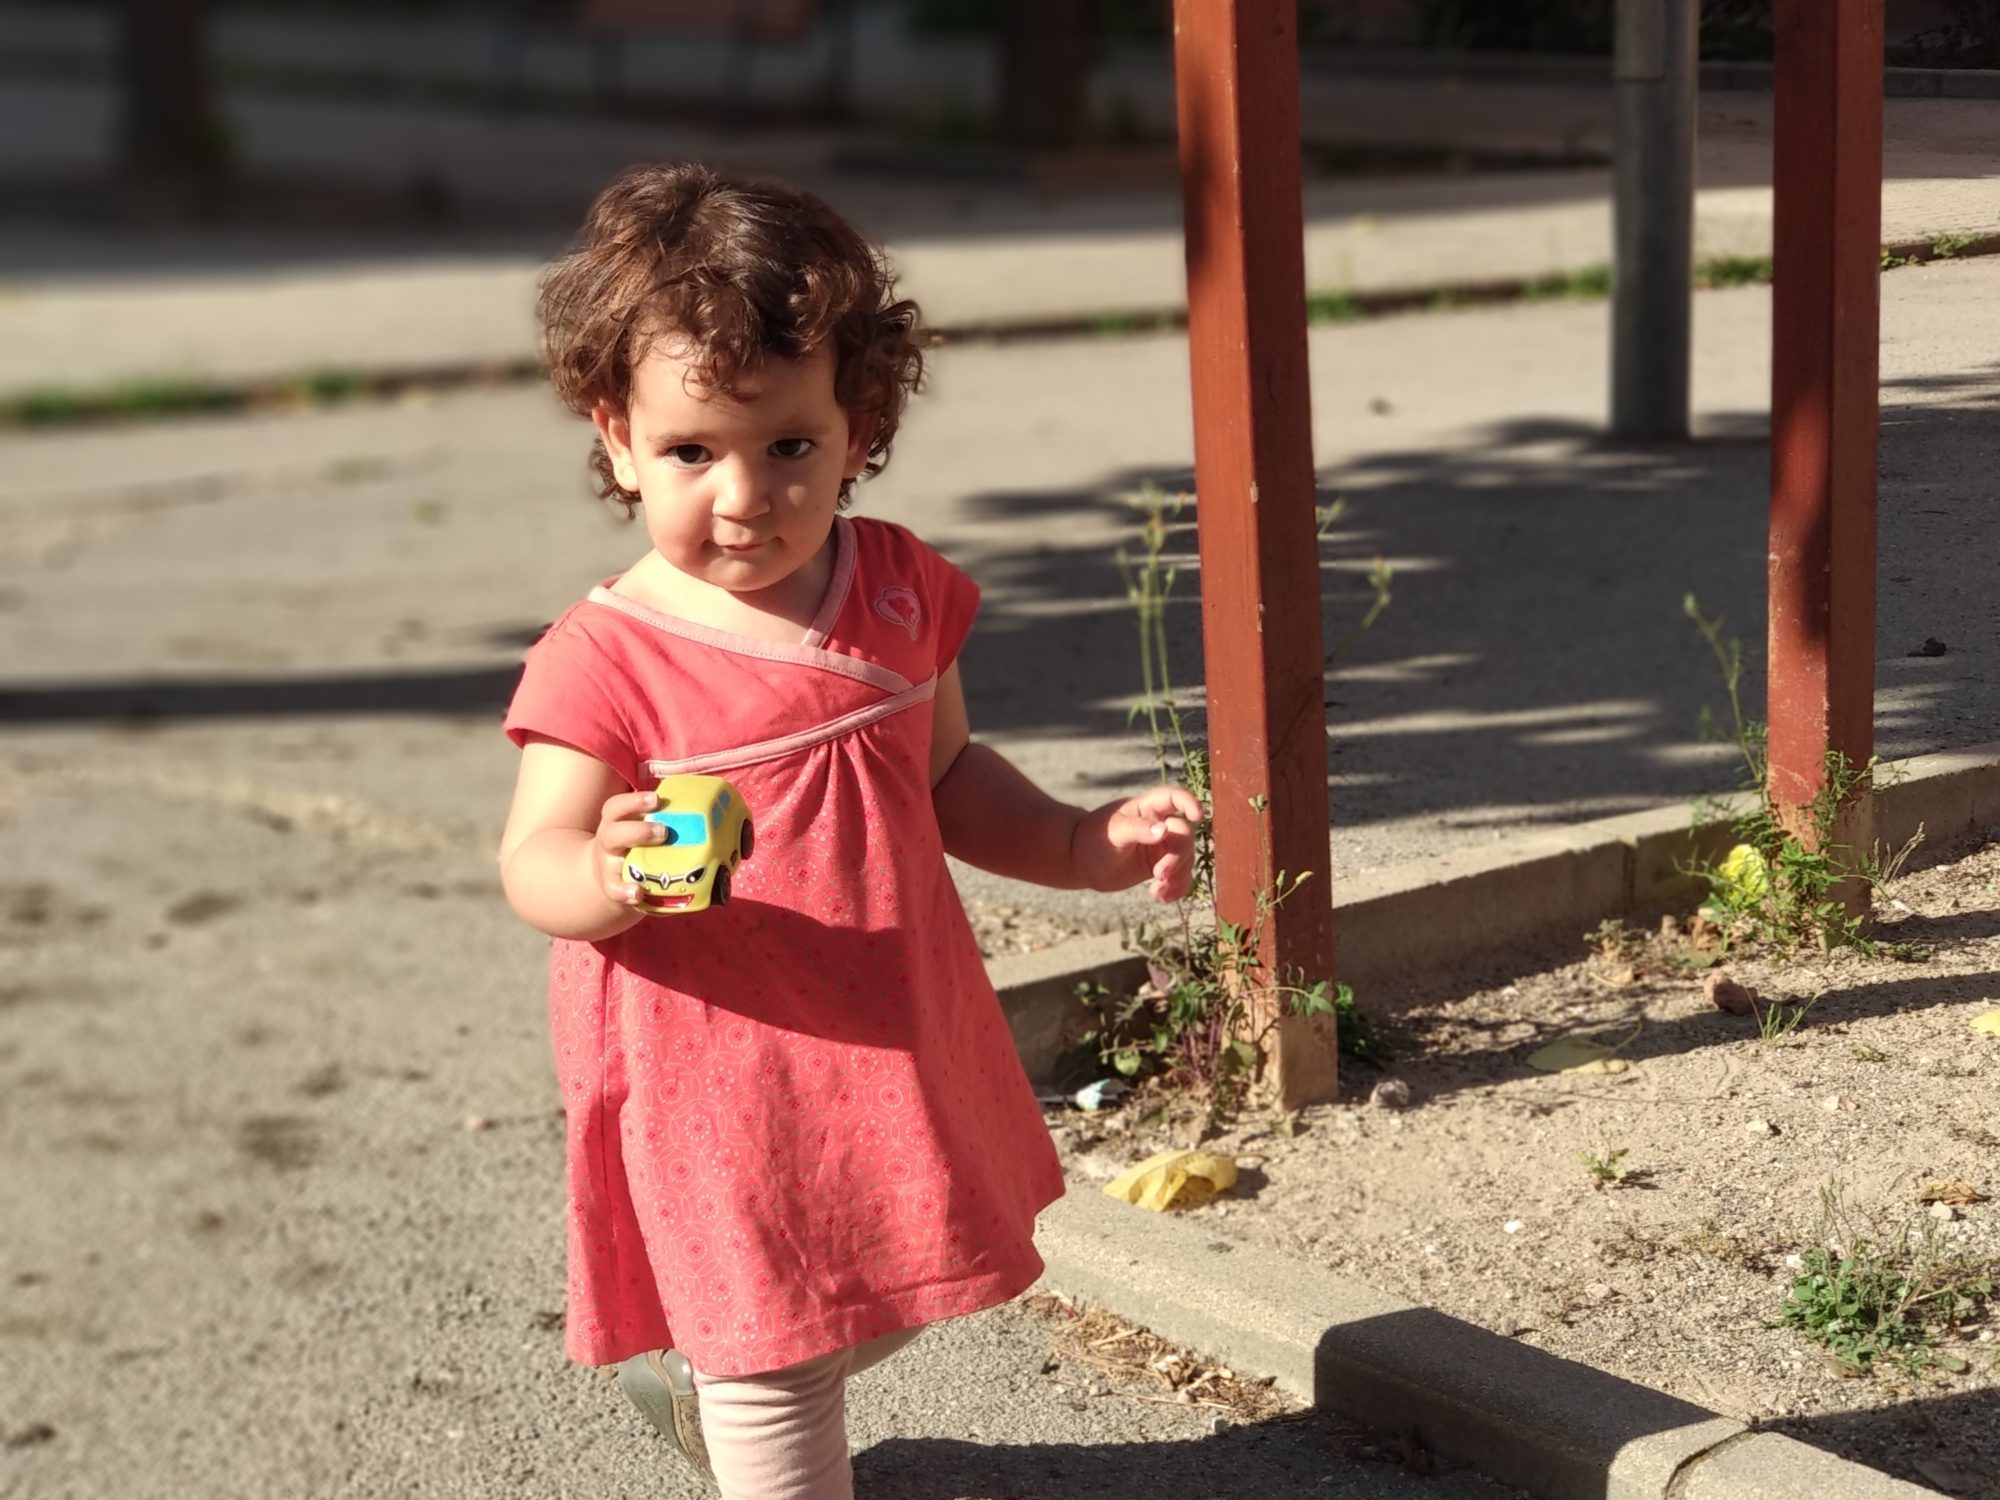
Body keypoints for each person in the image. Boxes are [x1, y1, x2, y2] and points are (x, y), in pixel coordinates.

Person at [498, 161, 1201, 1500]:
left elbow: (949, 778)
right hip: (717, 1073)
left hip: (887, 1039)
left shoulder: (894, 591)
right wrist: (602, 873)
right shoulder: (605, 658)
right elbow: (532, 859)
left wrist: (1081, 843)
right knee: (776, 1351)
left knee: (878, 1283)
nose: (744, 495)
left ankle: (705, 1376)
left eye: (789, 447)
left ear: (857, 426)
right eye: (692, 452)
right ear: (617, 438)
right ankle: (734, 1389)